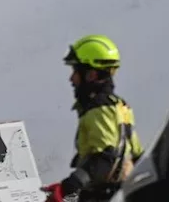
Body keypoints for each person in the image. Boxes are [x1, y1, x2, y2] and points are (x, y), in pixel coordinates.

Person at [41, 35, 144, 202]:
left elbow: (105, 158)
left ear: (91, 75)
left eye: (75, 71)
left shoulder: (99, 109)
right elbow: (136, 155)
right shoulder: (120, 106)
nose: (71, 78)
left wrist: (68, 187)